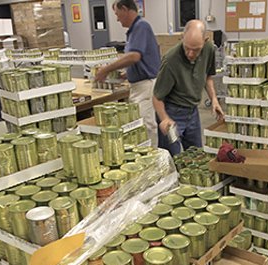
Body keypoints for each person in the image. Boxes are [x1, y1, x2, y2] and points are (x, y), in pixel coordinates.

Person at [94, 0, 161, 146]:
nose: (117, 19)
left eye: (117, 14)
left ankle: (152, 160)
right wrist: (128, 73)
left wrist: (106, 69)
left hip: (146, 86)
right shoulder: (135, 29)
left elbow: (134, 56)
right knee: (141, 124)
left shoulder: (141, 26)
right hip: (140, 85)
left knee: (146, 126)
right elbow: (139, 59)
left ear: (125, 9)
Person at [153, 20, 223, 156]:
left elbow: (208, 76)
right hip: (172, 111)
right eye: (187, 48)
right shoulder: (171, 60)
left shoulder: (209, 49)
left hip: (192, 111)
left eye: (196, 50)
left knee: (196, 155)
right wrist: (164, 118)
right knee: (172, 159)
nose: (190, 54)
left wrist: (214, 99)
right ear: (182, 38)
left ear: (205, 40)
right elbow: (157, 97)